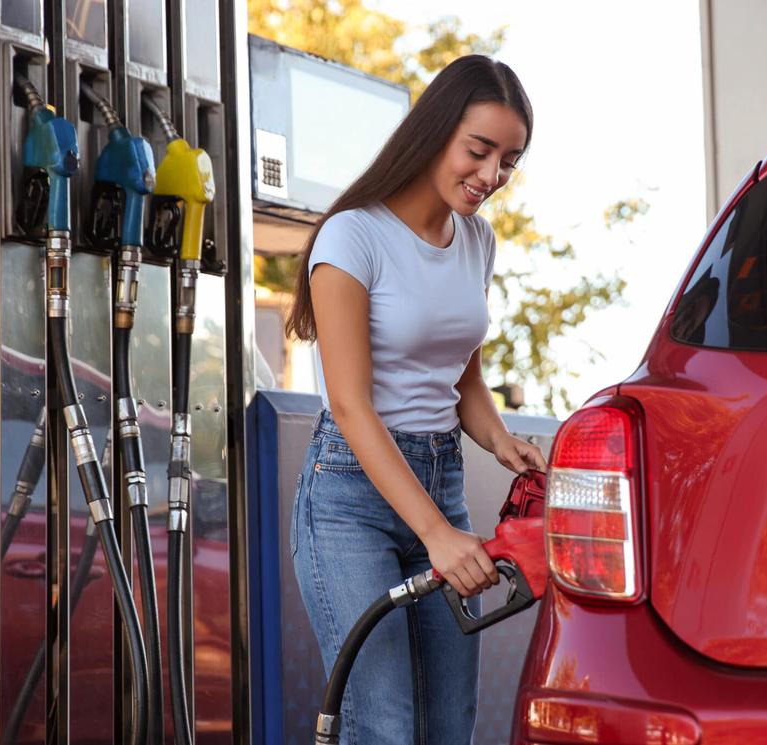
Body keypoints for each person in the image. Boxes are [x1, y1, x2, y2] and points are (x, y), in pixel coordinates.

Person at [285, 54, 547, 745]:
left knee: (445, 722)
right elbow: (350, 405)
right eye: (479, 150)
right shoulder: (353, 236)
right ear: (435, 132)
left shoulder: (476, 240)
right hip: (351, 501)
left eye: (509, 162)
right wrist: (434, 533)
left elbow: (462, 378)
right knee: (384, 726)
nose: (491, 177)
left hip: (442, 480)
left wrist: (498, 439)